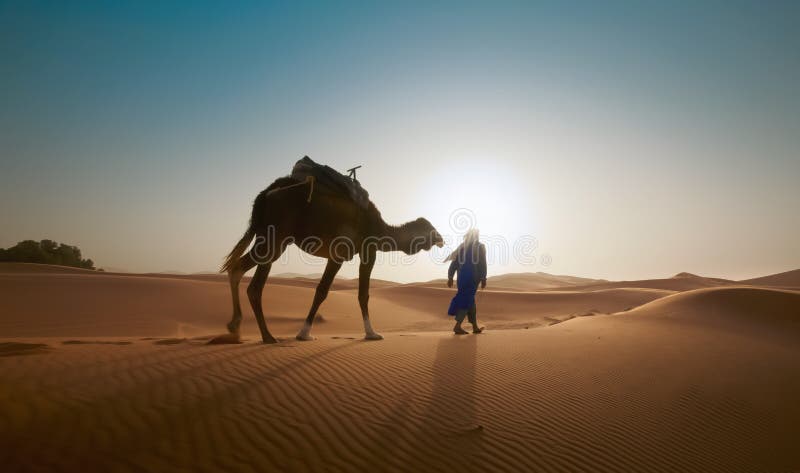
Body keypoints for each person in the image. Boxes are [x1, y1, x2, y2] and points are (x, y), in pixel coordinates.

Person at [446, 228, 487, 334]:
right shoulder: (479, 246)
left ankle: (475, 327)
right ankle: (457, 326)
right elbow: (483, 263)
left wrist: (450, 276)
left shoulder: (462, 247)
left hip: (462, 278)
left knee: (470, 300)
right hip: (472, 278)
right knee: (467, 300)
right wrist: (483, 278)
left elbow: (454, 264)